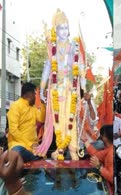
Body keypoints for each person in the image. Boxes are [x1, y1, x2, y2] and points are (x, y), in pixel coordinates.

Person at [39, 9, 86, 160]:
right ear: (55, 30)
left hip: (70, 88)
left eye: (66, 27)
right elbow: (47, 68)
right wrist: (42, 88)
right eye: (61, 28)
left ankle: (73, 149)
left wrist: (83, 89)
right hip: (56, 88)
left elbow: (80, 67)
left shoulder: (74, 46)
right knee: (59, 120)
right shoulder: (51, 47)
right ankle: (60, 148)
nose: (64, 31)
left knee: (70, 118)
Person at [7, 82, 46, 162]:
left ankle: (35, 160)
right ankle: (34, 160)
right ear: (30, 94)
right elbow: (13, 130)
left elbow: (41, 119)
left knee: (43, 155)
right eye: (35, 94)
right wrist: (29, 144)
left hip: (34, 147)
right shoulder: (16, 106)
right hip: (18, 145)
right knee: (17, 152)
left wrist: (43, 105)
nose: (36, 97)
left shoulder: (33, 107)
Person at [84, 125, 114, 191]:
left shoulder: (111, 154)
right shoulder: (108, 149)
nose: (100, 136)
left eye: (101, 134)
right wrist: (85, 140)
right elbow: (96, 155)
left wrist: (99, 166)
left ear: (105, 138)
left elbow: (111, 178)